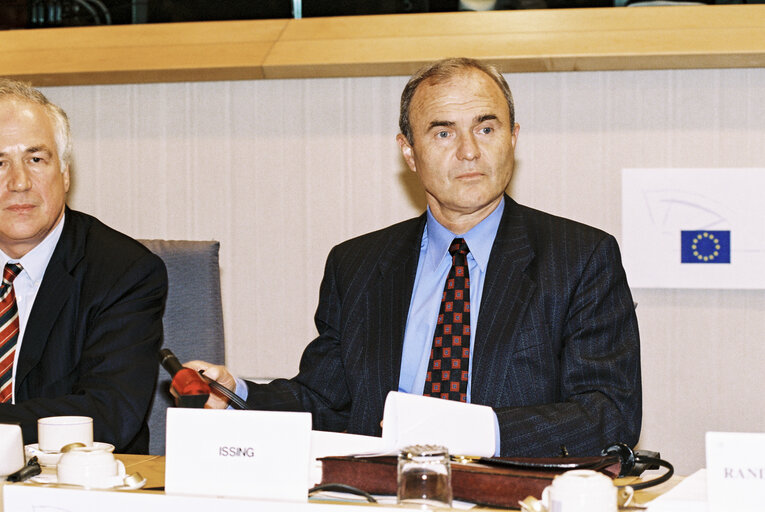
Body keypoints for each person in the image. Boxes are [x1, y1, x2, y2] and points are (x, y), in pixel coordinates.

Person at [188, 57, 641, 456]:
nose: (469, 151)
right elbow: (326, 401)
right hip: (381, 493)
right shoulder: (358, 265)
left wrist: (468, 432)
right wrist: (239, 395)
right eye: (443, 132)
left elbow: (609, 412)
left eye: (486, 128)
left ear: (513, 138)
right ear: (409, 151)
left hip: (511, 493)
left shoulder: (579, 258)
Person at [0, 79, 167, 453]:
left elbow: (109, 415)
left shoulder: (124, 272)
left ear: (65, 173)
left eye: (36, 159)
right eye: (0, 163)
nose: (20, 182)